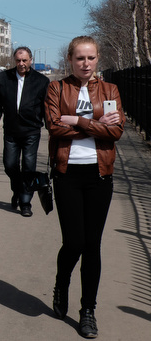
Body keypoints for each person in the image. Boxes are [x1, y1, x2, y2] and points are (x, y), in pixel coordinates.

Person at [45, 36, 124, 339]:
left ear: (98, 59)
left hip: (100, 174)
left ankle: (87, 310)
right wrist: (95, 124)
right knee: (74, 242)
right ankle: (62, 281)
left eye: (91, 58)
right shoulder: (57, 88)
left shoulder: (109, 90)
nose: (86, 64)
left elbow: (115, 132)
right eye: (80, 58)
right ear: (70, 59)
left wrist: (77, 120)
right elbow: (54, 126)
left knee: (93, 245)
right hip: (67, 173)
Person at [0, 47, 50, 217]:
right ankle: (18, 190)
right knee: (10, 165)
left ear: (31, 60)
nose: (21, 64)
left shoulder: (41, 81)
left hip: (31, 131)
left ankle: (25, 202)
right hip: (11, 131)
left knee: (29, 167)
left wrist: (51, 127)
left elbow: (47, 108)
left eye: (25, 60)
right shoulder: (4, 78)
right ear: (14, 61)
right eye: (18, 61)